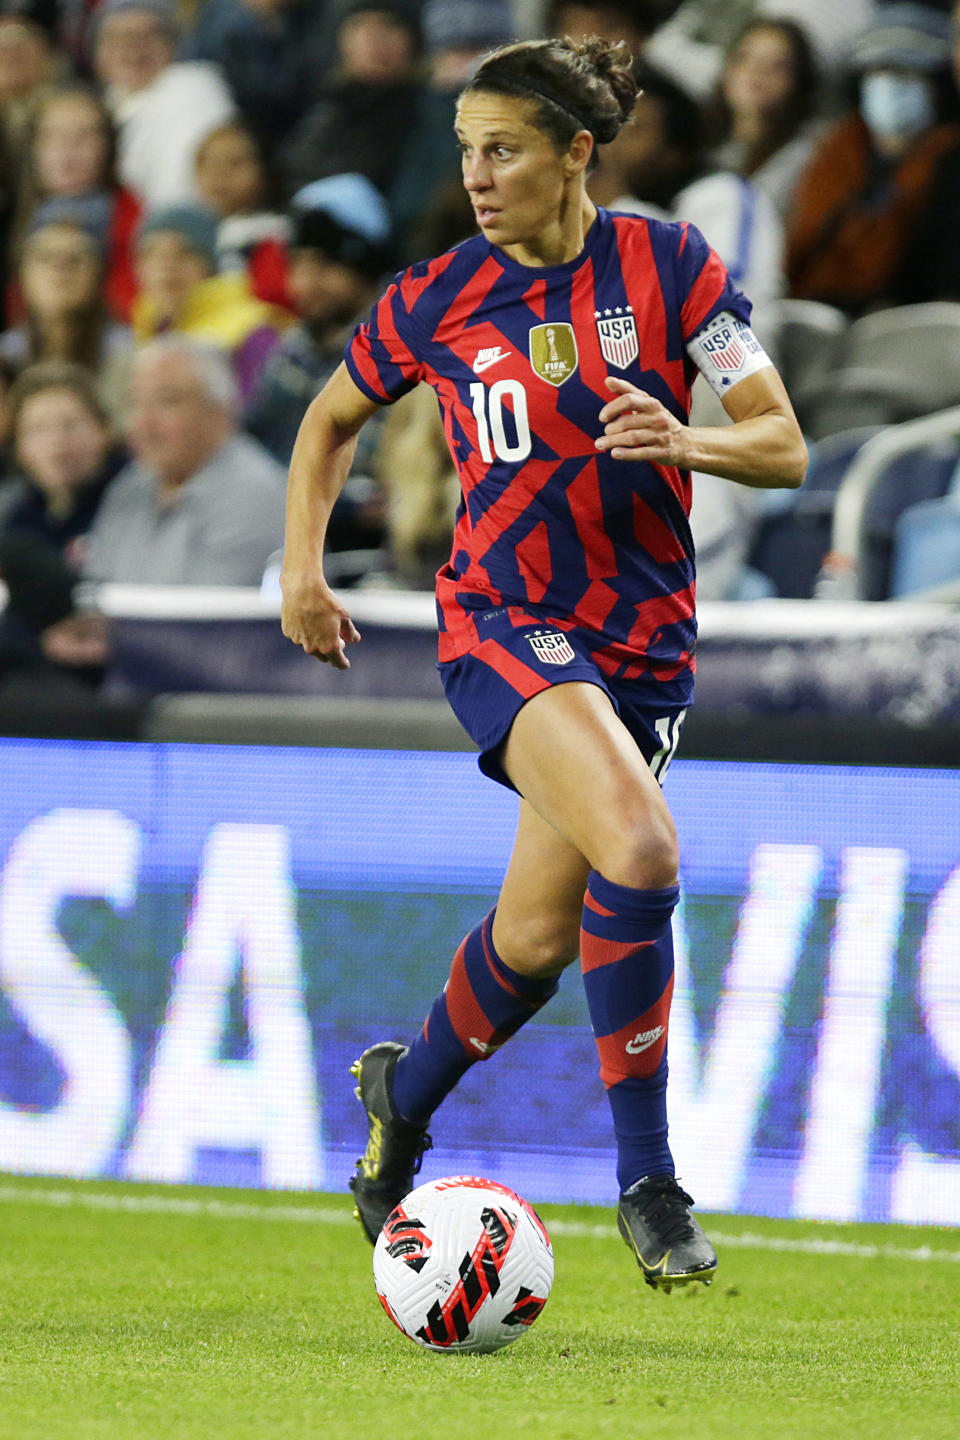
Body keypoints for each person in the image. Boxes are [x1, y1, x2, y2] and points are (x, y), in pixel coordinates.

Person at [280, 35, 806, 1291]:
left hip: (643, 648)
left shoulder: (669, 267)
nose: (477, 173)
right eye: (466, 150)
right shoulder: (434, 296)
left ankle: (399, 1097)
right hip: (502, 621)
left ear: (577, 152)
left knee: (533, 941)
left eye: (502, 148)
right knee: (646, 850)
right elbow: (328, 421)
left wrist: (686, 439)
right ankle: (651, 1188)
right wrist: (303, 568)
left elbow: (782, 444)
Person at [786, 4, 959, 313]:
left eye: (909, 74)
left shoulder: (948, 167)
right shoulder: (833, 154)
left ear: (937, 86)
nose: (892, 86)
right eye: (880, 70)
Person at [84, 334, 286, 585]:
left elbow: (214, 614)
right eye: (135, 403)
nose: (144, 423)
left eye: (166, 401)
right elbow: (93, 592)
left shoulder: (256, 494)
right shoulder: (129, 487)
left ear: (219, 410)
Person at [132, 203, 289, 402]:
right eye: (152, 253)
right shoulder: (150, 324)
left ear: (210, 265)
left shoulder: (252, 330)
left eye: (185, 253)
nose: (166, 266)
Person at [13, 83, 143, 320]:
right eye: (53, 135)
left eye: (84, 136)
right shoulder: (17, 217)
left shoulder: (138, 221)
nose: (67, 148)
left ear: (110, 148)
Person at [93, 0, 235, 210]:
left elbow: (181, 195)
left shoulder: (191, 86)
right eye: (117, 38)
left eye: (149, 36)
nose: (132, 48)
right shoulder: (103, 104)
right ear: (98, 53)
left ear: (175, 44)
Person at [708, 17, 823, 221]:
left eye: (778, 65)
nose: (757, 70)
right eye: (745, 57)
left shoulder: (808, 158)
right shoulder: (696, 139)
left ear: (800, 82)